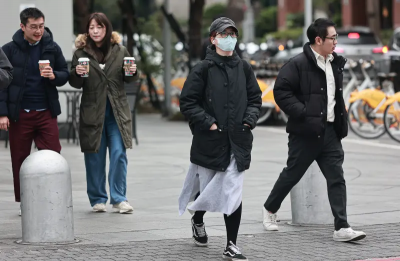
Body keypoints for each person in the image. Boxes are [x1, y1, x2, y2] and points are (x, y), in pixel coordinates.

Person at [262, 18, 366, 242]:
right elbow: (281, 91)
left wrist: (341, 120)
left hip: (330, 132)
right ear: (318, 40)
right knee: (293, 174)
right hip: (305, 132)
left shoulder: (335, 63)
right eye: (333, 37)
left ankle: (342, 227)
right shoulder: (297, 63)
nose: (336, 41)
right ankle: (270, 210)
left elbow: (335, 97)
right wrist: (303, 112)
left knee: (336, 178)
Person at [178, 17, 261, 261]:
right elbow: (187, 102)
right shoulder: (202, 69)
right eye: (225, 34)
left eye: (233, 34)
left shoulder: (244, 68)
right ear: (213, 38)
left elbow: (255, 99)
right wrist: (209, 123)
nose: (230, 38)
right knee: (208, 190)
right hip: (210, 141)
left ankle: (231, 244)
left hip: (238, 141)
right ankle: (198, 218)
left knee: (233, 191)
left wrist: (248, 121)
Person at [0, 7, 68, 215]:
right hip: (19, 114)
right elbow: (2, 84)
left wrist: (54, 75)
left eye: (41, 26)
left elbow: (65, 73)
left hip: (46, 112)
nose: (39, 31)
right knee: (19, 159)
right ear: (23, 27)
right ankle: (25, 202)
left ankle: (51, 197)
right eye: (33, 27)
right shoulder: (9, 50)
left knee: (53, 156)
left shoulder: (52, 47)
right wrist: (2, 113)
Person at [69, 13, 138, 214]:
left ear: (107, 29)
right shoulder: (80, 53)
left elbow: (131, 77)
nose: (95, 31)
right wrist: (77, 74)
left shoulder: (120, 50)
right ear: (87, 30)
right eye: (91, 27)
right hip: (92, 112)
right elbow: (74, 82)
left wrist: (132, 71)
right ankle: (98, 198)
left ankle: (119, 198)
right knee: (94, 157)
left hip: (117, 113)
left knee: (118, 154)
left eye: (99, 27)